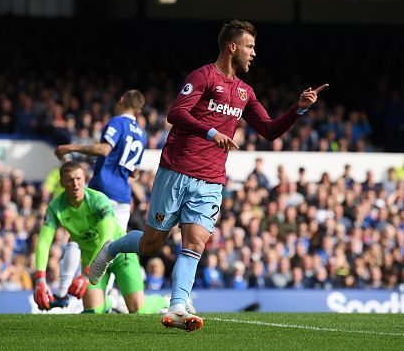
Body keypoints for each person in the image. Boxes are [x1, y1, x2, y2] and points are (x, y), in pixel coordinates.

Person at [89, 20, 327, 331]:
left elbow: (268, 130)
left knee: (196, 240)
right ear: (232, 47)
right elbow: (175, 113)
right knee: (150, 245)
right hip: (176, 169)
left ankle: (177, 307)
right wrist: (211, 131)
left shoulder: (245, 92)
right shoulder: (203, 76)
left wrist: (298, 108)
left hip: (212, 179)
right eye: (249, 46)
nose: (254, 53)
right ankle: (111, 249)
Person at [51, 90, 146, 308]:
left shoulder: (117, 123)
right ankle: (107, 298)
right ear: (139, 109)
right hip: (123, 197)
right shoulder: (142, 133)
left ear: (121, 99)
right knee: (111, 247)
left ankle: (64, 292)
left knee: (77, 238)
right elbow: (134, 173)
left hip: (103, 189)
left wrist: (72, 147)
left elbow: (104, 149)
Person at [33, 161, 144, 313]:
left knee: (138, 310)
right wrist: (40, 279)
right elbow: (44, 242)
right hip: (91, 260)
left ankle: (161, 302)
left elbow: (107, 238)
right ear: (62, 183)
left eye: (78, 179)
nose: (75, 184)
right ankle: (110, 302)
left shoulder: (98, 200)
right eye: (70, 180)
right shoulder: (55, 207)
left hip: (118, 255)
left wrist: (86, 274)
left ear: (84, 178)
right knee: (92, 313)